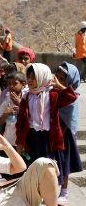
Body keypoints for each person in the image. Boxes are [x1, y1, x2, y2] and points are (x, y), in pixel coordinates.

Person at [15, 63, 78, 186]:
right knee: (33, 166)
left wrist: (59, 86)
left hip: (48, 138)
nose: (30, 80)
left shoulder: (53, 94)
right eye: (29, 77)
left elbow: (71, 97)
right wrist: (20, 142)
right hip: (32, 137)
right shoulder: (27, 96)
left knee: (49, 168)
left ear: (43, 76)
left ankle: (50, 193)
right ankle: (36, 193)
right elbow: (21, 122)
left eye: (34, 77)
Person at [55, 62, 83, 205]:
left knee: (64, 162)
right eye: (57, 78)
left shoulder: (73, 96)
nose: (59, 82)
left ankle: (64, 191)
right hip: (53, 132)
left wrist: (59, 133)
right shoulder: (54, 93)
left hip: (63, 135)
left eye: (62, 79)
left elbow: (69, 118)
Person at [0, 71, 26, 147]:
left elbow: (30, 117)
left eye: (15, 83)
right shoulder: (7, 99)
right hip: (9, 139)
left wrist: (21, 105)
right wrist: (6, 114)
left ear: (23, 84)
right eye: (9, 83)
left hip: (23, 139)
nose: (11, 86)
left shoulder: (27, 98)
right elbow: (0, 122)